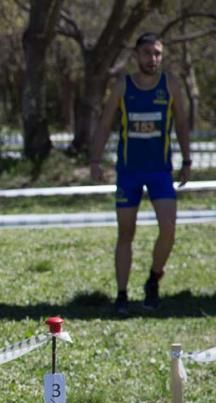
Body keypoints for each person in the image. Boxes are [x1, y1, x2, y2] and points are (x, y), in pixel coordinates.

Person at [90, 32, 191, 315]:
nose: (153, 59)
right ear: (136, 56)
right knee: (126, 233)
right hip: (129, 172)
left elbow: (182, 123)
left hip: (160, 171)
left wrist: (188, 160)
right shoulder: (123, 86)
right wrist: (95, 160)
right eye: (147, 53)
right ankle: (121, 295)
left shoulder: (170, 85)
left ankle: (153, 279)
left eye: (157, 53)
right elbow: (104, 123)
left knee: (169, 229)